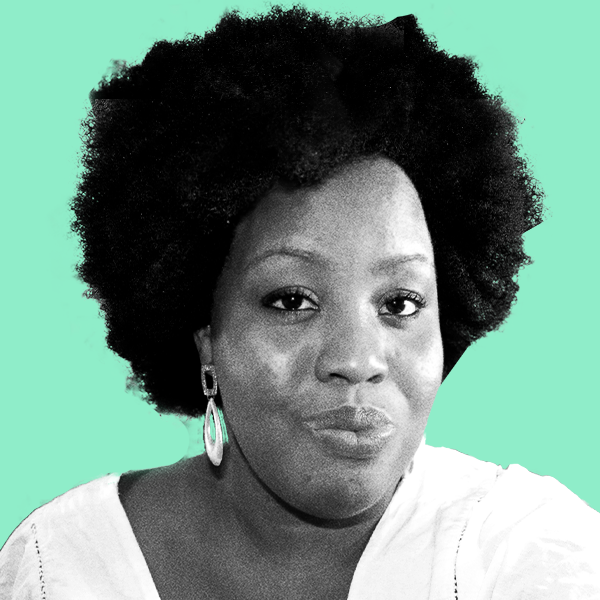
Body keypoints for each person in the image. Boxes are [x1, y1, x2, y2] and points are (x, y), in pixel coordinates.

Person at [1, 7, 598, 599]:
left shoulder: (531, 553)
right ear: (206, 337)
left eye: (400, 303)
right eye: (292, 300)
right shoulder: (57, 567)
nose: (358, 360)